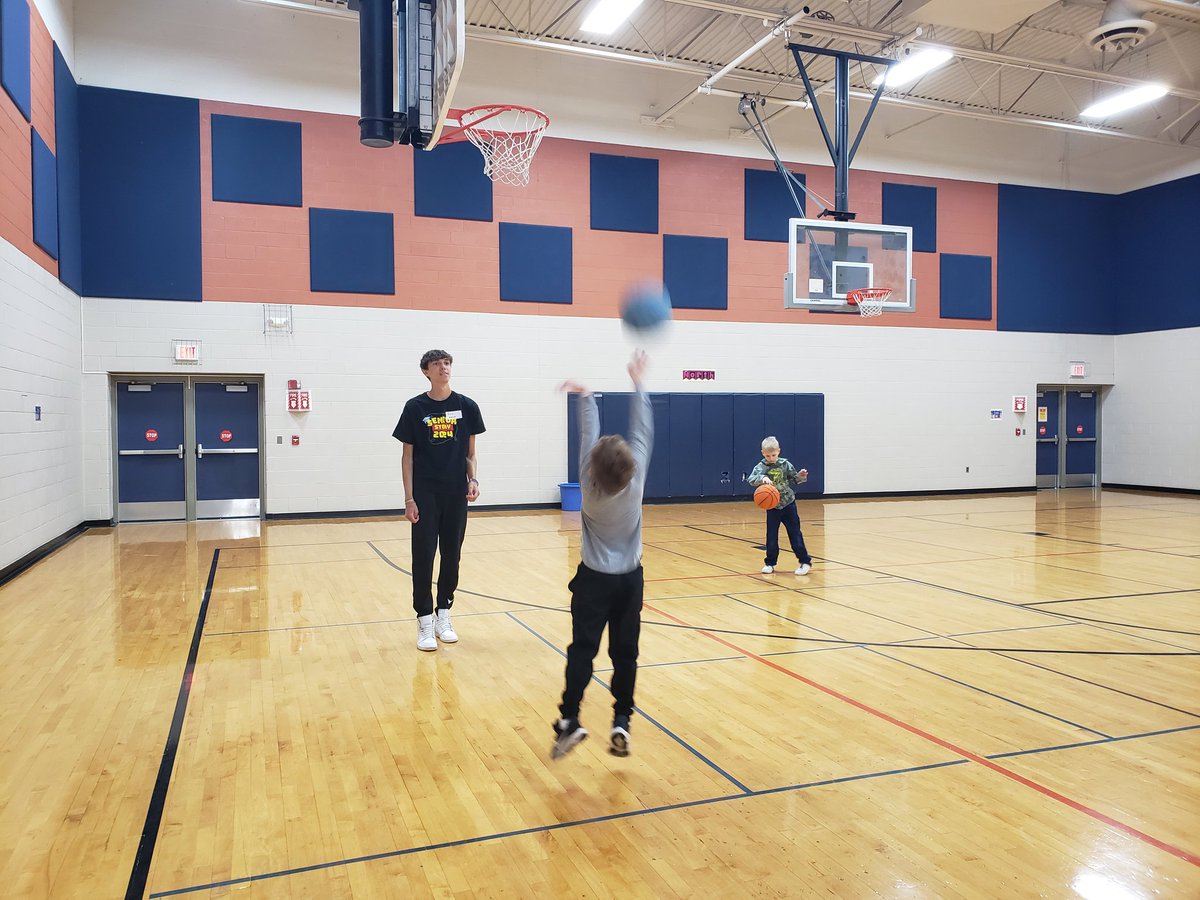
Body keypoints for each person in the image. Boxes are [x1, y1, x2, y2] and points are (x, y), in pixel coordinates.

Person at [552, 351, 652, 760]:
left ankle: (570, 719)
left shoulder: (587, 485)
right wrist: (638, 381)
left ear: (592, 469)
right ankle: (621, 721)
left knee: (582, 650)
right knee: (625, 654)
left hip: (593, 580)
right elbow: (643, 429)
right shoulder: (637, 477)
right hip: (629, 580)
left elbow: (587, 437)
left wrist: (585, 395)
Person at [392, 349, 485, 651]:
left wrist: (473, 480)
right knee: (423, 556)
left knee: (452, 555)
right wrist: (409, 498)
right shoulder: (415, 407)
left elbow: (470, 454)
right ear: (426, 372)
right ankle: (424, 620)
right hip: (425, 494)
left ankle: (444, 613)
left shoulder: (467, 406)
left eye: (447, 363)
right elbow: (407, 458)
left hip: (456, 493)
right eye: (437, 364)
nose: (443, 368)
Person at [747, 436, 813, 576]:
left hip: (788, 504)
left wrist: (801, 475)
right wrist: (762, 478)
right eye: (767, 455)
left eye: (773, 455)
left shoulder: (785, 464)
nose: (771, 458)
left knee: (795, 534)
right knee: (771, 536)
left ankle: (805, 562)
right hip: (773, 507)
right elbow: (751, 479)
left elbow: (794, 479)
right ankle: (770, 563)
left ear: (779, 451)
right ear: (762, 453)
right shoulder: (761, 467)